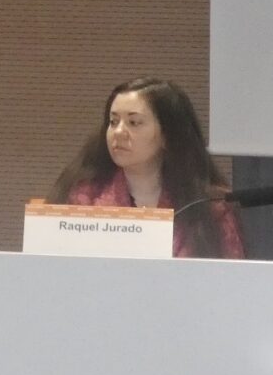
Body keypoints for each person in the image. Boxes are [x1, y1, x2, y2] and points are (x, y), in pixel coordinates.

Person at [48, 77, 245, 259]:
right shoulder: (83, 199)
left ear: (167, 135)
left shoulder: (210, 206)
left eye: (134, 123)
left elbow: (230, 277)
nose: (118, 132)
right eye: (113, 122)